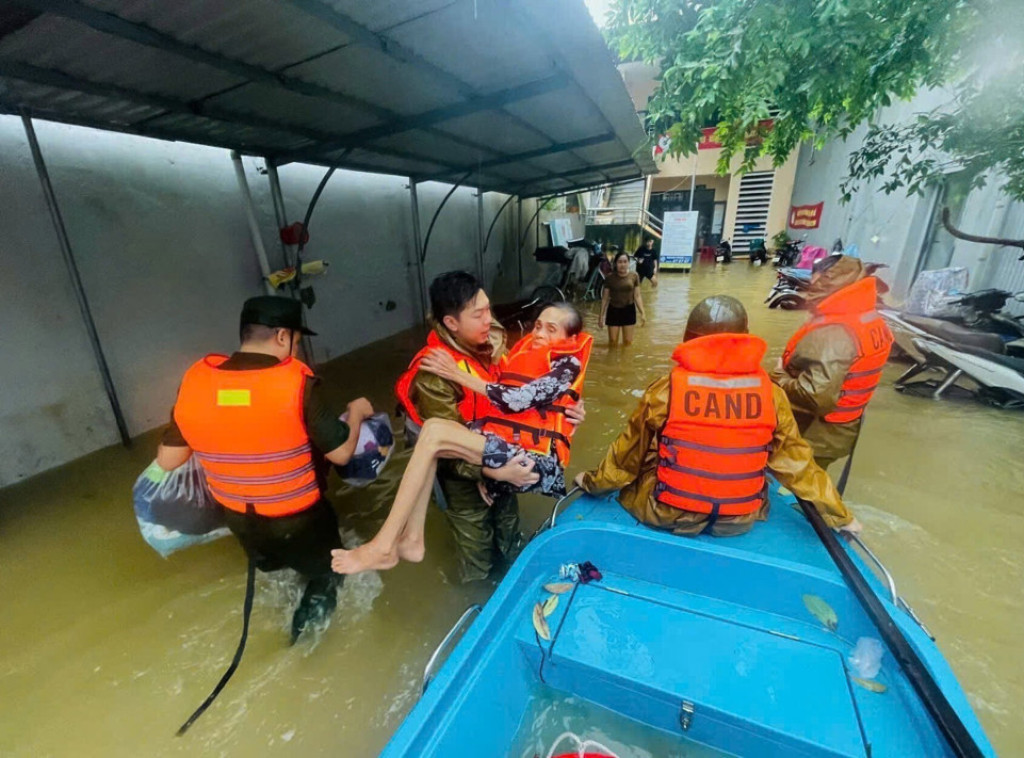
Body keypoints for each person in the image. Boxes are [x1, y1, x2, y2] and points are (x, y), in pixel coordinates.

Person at [155, 296, 375, 643]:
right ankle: (304, 646)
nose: (296, 351)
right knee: (328, 575)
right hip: (298, 519)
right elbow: (342, 454)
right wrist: (357, 410)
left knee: (275, 567)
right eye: (298, 343)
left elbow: (168, 461)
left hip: (240, 521)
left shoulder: (196, 382)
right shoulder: (296, 384)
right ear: (283, 337)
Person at [332, 303, 592, 574]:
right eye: (537, 326)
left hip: (537, 463)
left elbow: (517, 399)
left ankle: (389, 544)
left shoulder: (562, 362)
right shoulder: (439, 372)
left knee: (434, 433)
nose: (538, 333)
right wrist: (486, 471)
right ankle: (410, 541)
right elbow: (498, 416)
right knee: (434, 436)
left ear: (571, 339)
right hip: (493, 466)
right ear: (452, 324)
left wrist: (456, 375)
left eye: (550, 329)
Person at [574, 295, 861, 537]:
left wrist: (591, 482)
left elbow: (625, 459)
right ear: (744, 337)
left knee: (650, 449)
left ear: (688, 337)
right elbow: (798, 465)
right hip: (738, 522)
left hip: (669, 514)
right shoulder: (771, 394)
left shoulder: (666, 390)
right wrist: (842, 516)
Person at [391, 271, 585, 582]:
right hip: (462, 481)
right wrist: (486, 471)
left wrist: (570, 408)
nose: (489, 321)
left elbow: (526, 397)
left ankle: (512, 583)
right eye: (478, 314)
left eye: (488, 309)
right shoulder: (434, 375)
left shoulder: (492, 349)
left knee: (509, 536)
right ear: (451, 323)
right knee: (477, 553)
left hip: (503, 461)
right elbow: (445, 448)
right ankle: (476, 601)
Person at [771, 255, 894, 468]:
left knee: (801, 489)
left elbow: (815, 396)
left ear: (826, 278)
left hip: (816, 434)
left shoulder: (836, 332)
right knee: (814, 485)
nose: (810, 281)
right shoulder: (866, 317)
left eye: (814, 274)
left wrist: (779, 376)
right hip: (841, 429)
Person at [599, 251, 647, 345]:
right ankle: (612, 359)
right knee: (613, 342)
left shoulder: (634, 276)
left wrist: (642, 313)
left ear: (629, 263)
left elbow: (637, 296)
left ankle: (625, 359)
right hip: (613, 310)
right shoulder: (609, 278)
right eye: (620, 262)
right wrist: (601, 316)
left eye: (625, 262)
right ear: (615, 263)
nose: (623, 264)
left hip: (628, 310)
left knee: (627, 342)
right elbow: (605, 298)